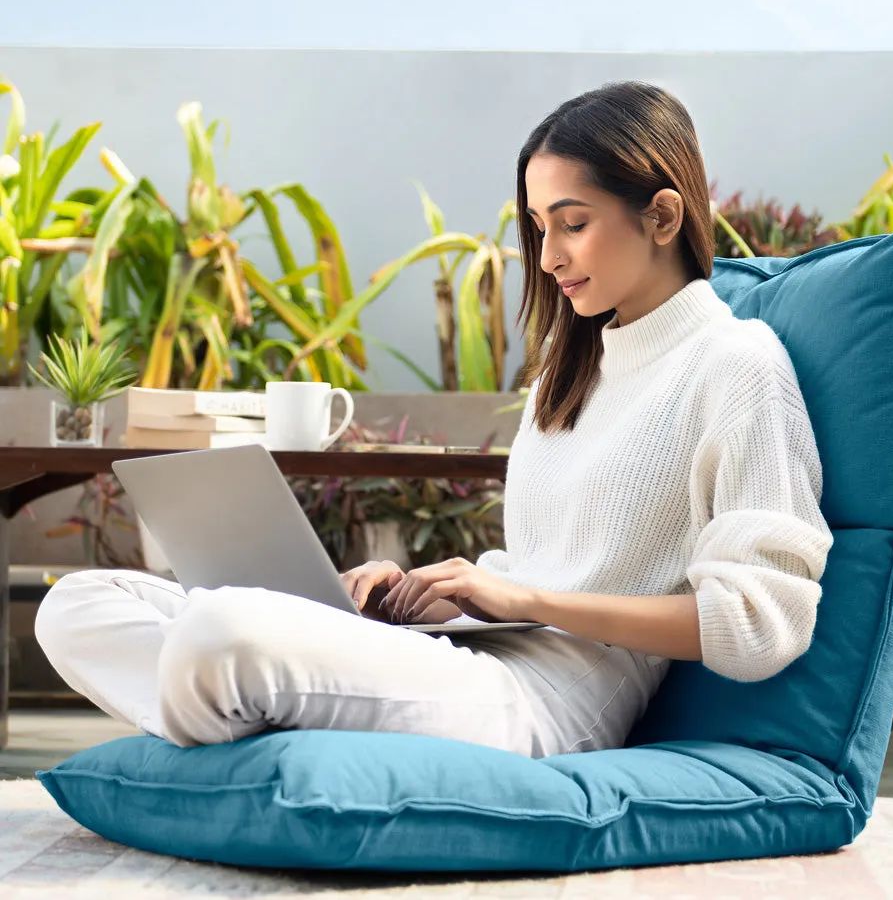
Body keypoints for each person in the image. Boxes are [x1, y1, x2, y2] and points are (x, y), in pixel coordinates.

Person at [35, 81, 833, 759]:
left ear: (661, 216)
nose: (548, 256)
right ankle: (258, 717)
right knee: (80, 604)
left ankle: (240, 720)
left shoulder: (738, 366)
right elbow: (536, 563)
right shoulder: (575, 365)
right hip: (468, 649)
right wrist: (433, 594)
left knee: (221, 635)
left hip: (557, 699)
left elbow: (761, 626)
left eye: (573, 222)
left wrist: (527, 603)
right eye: (538, 226)